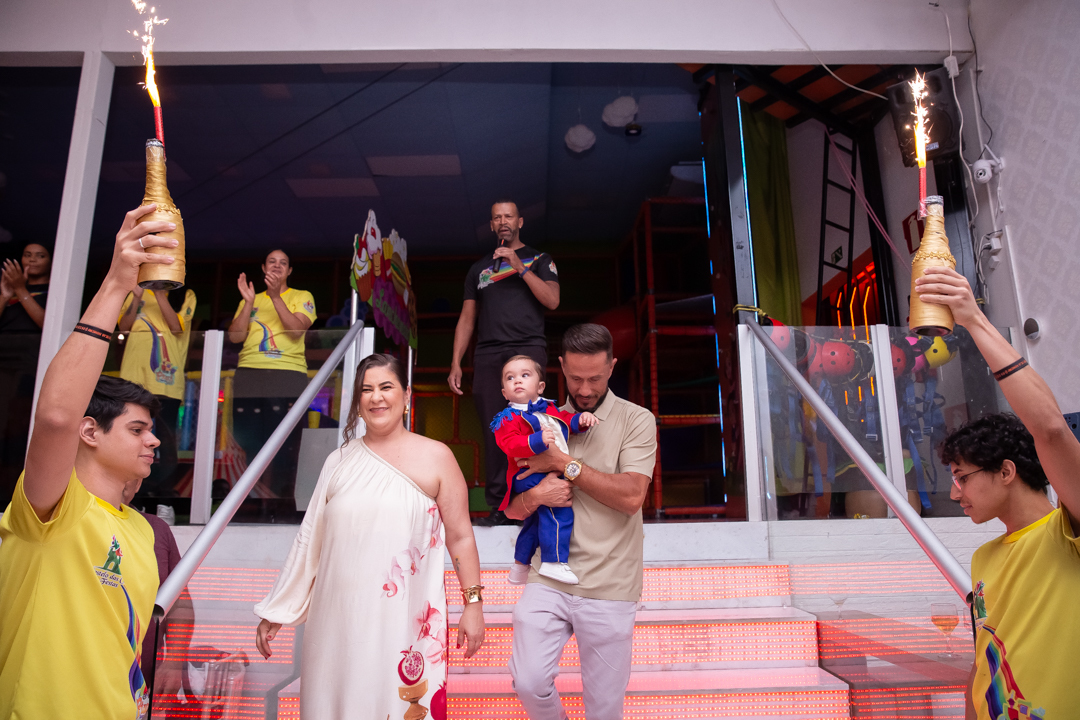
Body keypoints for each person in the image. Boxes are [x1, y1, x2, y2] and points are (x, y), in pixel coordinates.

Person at [0, 205, 176, 719]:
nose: (155, 443)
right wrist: (118, 282)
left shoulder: (143, 532)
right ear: (90, 430)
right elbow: (55, 415)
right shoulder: (51, 507)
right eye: (137, 430)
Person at [254, 353, 485, 720]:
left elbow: (461, 537)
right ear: (358, 402)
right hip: (335, 622)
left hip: (401, 623)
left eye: (386, 387)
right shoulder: (339, 460)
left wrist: (473, 604)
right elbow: (310, 539)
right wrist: (277, 610)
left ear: (407, 395)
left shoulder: (436, 457)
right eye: (367, 390)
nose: (376, 397)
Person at [915, 266, 1080, 720]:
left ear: (1006, 471)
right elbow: (982, 661)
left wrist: (973, 320)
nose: (954, 492)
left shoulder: (1067, 531)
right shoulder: (983, 558)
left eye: (962, 476)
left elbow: (1049, 428)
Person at [504, 323, 656, 720]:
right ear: (560, 368)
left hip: (610, 584)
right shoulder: (542, 421)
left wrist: (563, 464)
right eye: (574, 378)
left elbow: (631, 496)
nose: (584, 389)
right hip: (547, 577)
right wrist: (535, 496)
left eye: (595, 378)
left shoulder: (637, 420)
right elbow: (512, 509)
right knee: (528, 682)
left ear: (612, 367)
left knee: (604, 709)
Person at [448, 200, 561, 526]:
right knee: (495, 429)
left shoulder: (540, 259)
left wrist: (519, 266)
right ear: (492, 224)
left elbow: (552, 300)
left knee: (531, 427)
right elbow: (467, 318)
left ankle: (534, 502)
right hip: (487, 356)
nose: (503, 221)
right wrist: (456, 361)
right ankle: (500, 506)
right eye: (496, 217)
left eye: (508, 216)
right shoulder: (478, 269)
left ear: (520, 221)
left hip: (526, 350)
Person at [491, 355, 596, 586]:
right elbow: (508, 443)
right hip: (526, 474)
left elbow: (566, 419)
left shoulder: (548, 408)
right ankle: (553, 561)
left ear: (540, 387)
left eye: (524, 375)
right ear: (504, 393)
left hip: (544, 471)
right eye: (510, 378)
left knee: (536, 522)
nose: (517, 380)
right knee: (559, 509)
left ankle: (520, 565)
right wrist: (536, 440)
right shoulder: (507, 417)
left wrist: (581, 419)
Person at [228, 249, 316, 500]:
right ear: (264, 268)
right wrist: (247, 303)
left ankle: (279, 501)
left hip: (287, 375)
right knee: (248, 439)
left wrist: (276, 297)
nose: (277, 266)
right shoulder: (251, 298)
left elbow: (297, 331)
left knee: (284, 443)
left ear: (289, 271)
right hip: (249, 373)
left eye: (283, 263)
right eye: (272, 262)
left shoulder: (302, 296)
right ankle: (250, 500)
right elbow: (235, 336)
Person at [119, 285, 197, 497]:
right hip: (133, 381)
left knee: (166, 443)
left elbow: (176, 327)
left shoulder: (186, 295)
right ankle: (132, 498)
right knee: (130, 443)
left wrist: (160, 293)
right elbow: (123, 328)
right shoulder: (137, 291)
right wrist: (136, 298)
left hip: (166, 381)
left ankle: (165, 500)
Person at [0, 242, 52, 502]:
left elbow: (47, 324)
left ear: (51, 260)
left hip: (31, 367)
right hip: (4, 366)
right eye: (27, 255)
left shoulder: (55, 288)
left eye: (40, 255)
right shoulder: (9, 290)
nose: (32, 260)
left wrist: (21, 290)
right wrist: (6, 293)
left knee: (20, 428)